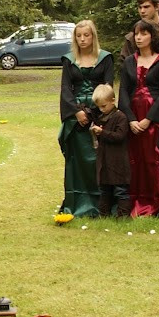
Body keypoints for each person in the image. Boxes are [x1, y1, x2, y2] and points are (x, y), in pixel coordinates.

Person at [118, 19, 159, 217]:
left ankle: (156, 204)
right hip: (133, 116)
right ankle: (133, 202)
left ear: (153, 36)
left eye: (143, 33)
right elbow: (123, 91)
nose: (139, 37)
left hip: (155, 118)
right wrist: (131, 119)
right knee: (134, 159)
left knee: (154, 160)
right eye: (136, 34)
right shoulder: (129, 62)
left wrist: (149, 119)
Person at [57, 19, 113, 217]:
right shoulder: (69, 59)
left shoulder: (105, 58)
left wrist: (96, 113)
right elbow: (65, 89)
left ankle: (103, 204)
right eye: (78, 36)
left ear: (93, 36)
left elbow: (108, 87)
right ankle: (77, 203)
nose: (82, 39)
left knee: (98, 160)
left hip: (100, 111)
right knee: (77, 161)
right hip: (76, 116)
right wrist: (77, 112)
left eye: (86, 35)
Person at [88, 83, 130, 217]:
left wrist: (103, 132)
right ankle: (103, 214)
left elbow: (120, 136)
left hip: (118, 161)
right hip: (104, 161)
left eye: (104, 106)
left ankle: (123, 215)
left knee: (121, 190)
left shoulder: (120, 117)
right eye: (99, 106)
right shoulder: (101, 118)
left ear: (113, 101)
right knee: (104, 190)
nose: (101, 109)